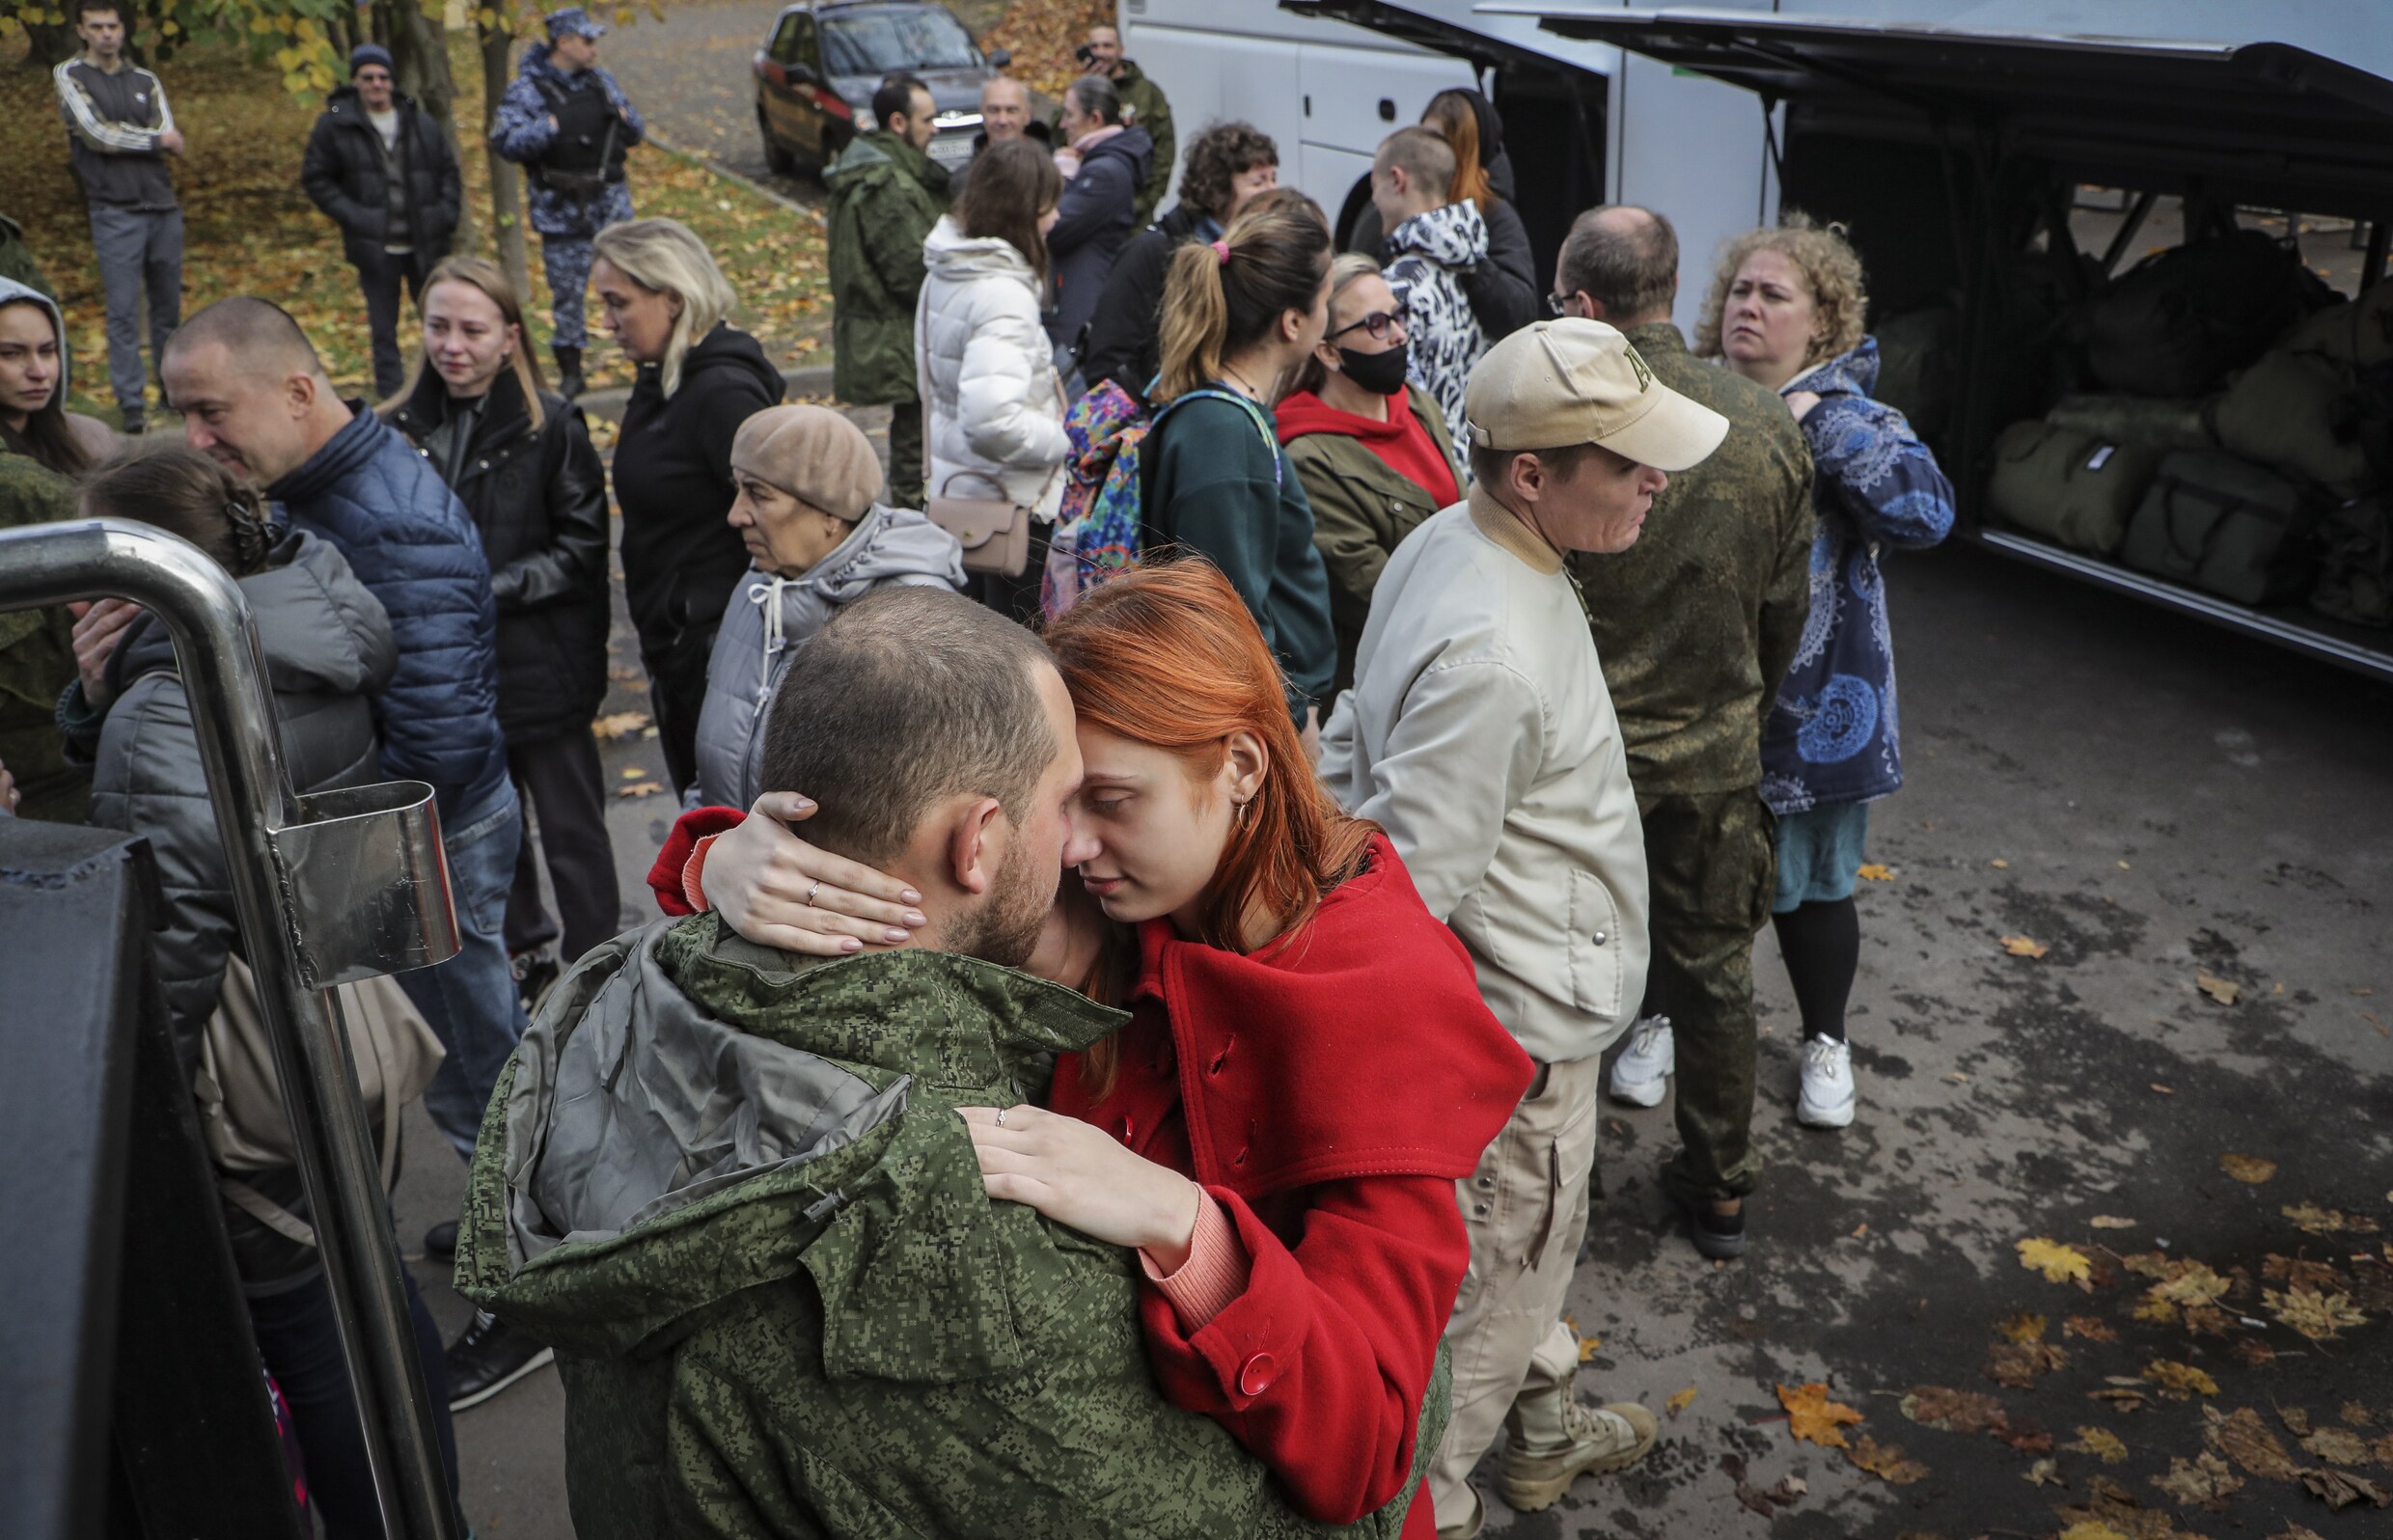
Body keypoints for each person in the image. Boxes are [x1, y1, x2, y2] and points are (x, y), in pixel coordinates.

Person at [463, 578, 1526, 1537]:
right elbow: (902, 875)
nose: (1071, 848)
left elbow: (1370, 1447)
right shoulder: (1113, 887)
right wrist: (730, 855)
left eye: (1107, 802)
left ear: (1240, 764)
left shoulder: (1370, 996)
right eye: (1065, 805)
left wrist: (1185, 1224)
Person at [1320, 319, 1728, 1536]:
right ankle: (1430, 1510)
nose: (1655, 480)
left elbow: (1349, 739)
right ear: (1532, 475)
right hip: (1514, 1052)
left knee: (1526, 1269)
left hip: (1535, 1020)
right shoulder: (1493, 647)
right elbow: (1407, 885)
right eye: (1626, 461)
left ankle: (1539, 1433)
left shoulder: (1451, 538)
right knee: (1485, 1307)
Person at [55, 444, 470, 1540]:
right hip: (347, 1026)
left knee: (302, 1326)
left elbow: (172, 955)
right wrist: (99, 696)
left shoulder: (164, 708)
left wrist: (145, 1137)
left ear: (148, 572)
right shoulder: (298, 624)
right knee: (370, 1282)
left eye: (96, 572)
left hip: (245, 1078)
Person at [160, 298, 533, 1294]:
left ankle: (536, 1279)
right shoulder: (316, 486)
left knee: (476, 1068)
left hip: (424, 843)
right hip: (397, 839)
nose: (196, 440)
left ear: (294, 391)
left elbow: (437, 748)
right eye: (182, 416)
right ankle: (518, 1224)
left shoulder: (389, 516)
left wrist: (336, 846)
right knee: (468, 1062)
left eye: (210, 412)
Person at [1551, 206, 1817, 1262]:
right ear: (1670, 287)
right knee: (1711, 976)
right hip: (1710, 752)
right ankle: (1718, 1191)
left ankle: (1537, 1181)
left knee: (1547, 961)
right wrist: (1740, 700)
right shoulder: (1760, 426)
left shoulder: (1560, 413)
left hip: (1576, 754)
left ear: (1580, 299)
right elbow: (1785, 606)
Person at [1697, 214, 1954, 1136]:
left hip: (1817, 715)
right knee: (1682, 886)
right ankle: (1657, 1021)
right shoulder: (1689, 399)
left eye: (1775, 295)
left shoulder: (1853, 418)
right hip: (1702, 704)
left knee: (1811, 893)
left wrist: (1818, 423)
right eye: (1740, 290)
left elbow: (1926, 514)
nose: (1750, 308)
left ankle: (1825, 1041)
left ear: (1823, 323)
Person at [382, 257, 617, 1015]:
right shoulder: (395, 429)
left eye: (472, 330)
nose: (452, 345)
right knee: (490, 830)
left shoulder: (552, 424)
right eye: (438, 326)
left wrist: (485, 588)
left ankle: (602, 964)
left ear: (510, 337)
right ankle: (527, 952)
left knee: (572, 826)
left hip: (540, 664)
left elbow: (581, 551)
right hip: (445, 674)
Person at [690, 404, 963, 810]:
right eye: (738, 488)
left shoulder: (913, 616)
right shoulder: (757, 586)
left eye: (759, 495)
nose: (735, 515)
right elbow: (713, 774)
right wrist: (694, 854)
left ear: (830, 513)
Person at [597, 217, 786, 799]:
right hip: (678, 654)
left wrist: (702, 620)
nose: (606, 324)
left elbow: (786, 529)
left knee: (720, 832)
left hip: (716, 660)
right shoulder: (661, 378)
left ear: (673, 298)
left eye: (618, 303)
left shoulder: (720, 393)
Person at [1140, 200, 1337, 730]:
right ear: (1294, 322)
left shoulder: (1229, 420)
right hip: (1262, 723)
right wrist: (1291, 728)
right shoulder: (1225, 439)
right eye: (1326, 301)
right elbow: (1234, 622)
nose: (1330, 317)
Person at [1276, 253, 1462, 691]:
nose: (1399, 335)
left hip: (1454, 651)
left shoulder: (1416, 404)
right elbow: (1377, 591)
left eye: (1399, 316)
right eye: (1377, 324)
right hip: (1391, 678)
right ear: (1327, 351)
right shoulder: (1309, 455)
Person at [917, 138, 1070, 620]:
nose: (1056, 219)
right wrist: (1063, 439)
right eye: (1048, 207)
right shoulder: (1003, 293)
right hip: (1012, 510)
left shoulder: (948, 270)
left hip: (960, 497)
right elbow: (990, 422)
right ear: (1022, 211)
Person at [491, 7, 645, 401]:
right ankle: (572, 370)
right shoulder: (528, 90)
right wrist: (550, 128)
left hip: (610, 207)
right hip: (562, 211)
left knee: (633, 284)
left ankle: (644, 355)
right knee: (568, 293)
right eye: (587, 41)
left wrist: (624, 119)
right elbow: (505, 141)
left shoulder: (601, 82)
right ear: (564, 42)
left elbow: (635, 130)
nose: (594, 50)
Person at [301, 44, 464, 400]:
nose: (377, 84)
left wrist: (444, 215)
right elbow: (316, 178)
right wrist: (354, 216)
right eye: (368, 77)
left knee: (437, 319)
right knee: (383, 327)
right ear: (356, 82)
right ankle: (393, 397)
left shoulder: (419, 122)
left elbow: (448, 171)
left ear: (392, 81)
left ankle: (440, 387)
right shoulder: (336, 125)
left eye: (383, 77)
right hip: (375, 245)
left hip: (426, 241)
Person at [52, 0, 182, 433]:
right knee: (123, 311)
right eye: (97, 26)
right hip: (114, 210)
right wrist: (152, 142)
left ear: (123, 31)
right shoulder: (70, 75)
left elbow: (168, 125)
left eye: (113, 26)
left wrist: (151, 138)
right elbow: (95, 133)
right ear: (82, 31)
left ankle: (172, 393)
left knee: (167, 308)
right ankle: (131, 406)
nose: (107, 33)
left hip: (162, 206)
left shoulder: (145, 79)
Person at [1081, 120, 1279, 403]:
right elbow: (1107, 362)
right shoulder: (1152, 252)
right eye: (1258, 182)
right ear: (1217, 189)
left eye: (1273, 178)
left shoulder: (1256, 254)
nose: (1272, 191)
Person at [825, 71, 948, 509]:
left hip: (896, 330)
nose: (934, 128)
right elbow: (911, 268)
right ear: (899, 122)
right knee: (915, 443)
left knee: (913, 434)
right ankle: (917, 528)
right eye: (927, 119)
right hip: (898, 332)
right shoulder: (888, 182)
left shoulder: (879, 167)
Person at [0, 276, 95, 823]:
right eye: (12, 354)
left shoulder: (68, 445)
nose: (38, 371)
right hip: (38, 771)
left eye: (48, 350)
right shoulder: (16, 484)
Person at [1345, 90, 1536, 344]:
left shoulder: (1493, 214)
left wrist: (1468, 264)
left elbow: (1520, 312)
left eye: (1441, 142)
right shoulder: (1400, 220)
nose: (1426, 150)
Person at [1371, 128, 1489, 432]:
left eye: (1374, 185)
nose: (1373, 198)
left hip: (1436, 462)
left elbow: (1403, 401)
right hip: (1477, 455)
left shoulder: (1397, 285)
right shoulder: (1473, 259)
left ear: (1397, 180)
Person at [1046, 73, 1153, 367]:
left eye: (1069, 115)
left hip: (1081, 311)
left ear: (1094, 119)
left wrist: (1064, 179)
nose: (1062, 124)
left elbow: (1054, 228)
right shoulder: (1099, 163)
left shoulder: (1103, 173)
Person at [1079, 23, 1174, 228]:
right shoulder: (1081, 92)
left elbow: (1165, 150)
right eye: (1095, 47)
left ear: (1120, 50)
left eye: (1107, 46)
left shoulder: (1146, 93)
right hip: (1090, 209)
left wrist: (1147, 201)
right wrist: (1087, 90)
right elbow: (1061, 137)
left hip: (1135, 213)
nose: (1101, 53)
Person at [968, 73, 1048, 157]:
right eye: (994, 111)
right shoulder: (968, 170)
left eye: (1011, 111)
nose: (1002, 120)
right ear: (982, 113)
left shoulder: (1051, 167)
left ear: (1027, 115)